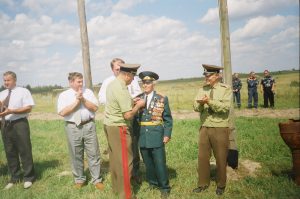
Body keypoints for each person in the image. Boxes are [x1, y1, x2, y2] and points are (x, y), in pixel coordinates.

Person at [103, 63, 145, 199]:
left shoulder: (113, 84)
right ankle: (127, 195)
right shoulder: (121, 88)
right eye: (133, 76)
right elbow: (127, 115)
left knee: (115, 161)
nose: (133, 79)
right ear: (127, 74)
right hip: (119, 127)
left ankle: (117, 189)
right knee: (126, 163)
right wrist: (138, 106)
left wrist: (131, 102)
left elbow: (117, 104)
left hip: (110, 125)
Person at [57, 72, 104, 190]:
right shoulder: (64, 95)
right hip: (72, 127)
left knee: (93, 153)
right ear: (71, 82)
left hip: (88, 125)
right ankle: (79, 179)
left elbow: (95, 108)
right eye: (78, 81)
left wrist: (83, 99)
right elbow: (63, 112)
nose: (81, 83)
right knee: (75, 153)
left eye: (81, 81)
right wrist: (76, 102)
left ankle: (96, 179)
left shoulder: (87, 92)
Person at [193, 64, 232, 196]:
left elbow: (225, 108)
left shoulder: (226, 89)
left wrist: (209, 102)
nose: (206, 77)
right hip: (204, 126)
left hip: (220, 127)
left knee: (221, 157)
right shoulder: (202, 89)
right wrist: (200, 103)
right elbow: (195, 106)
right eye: (205, 75)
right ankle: (203, 184)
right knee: (202, 157)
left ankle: (221, 184)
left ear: (217, 76)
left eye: (208, 75)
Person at [134, 71, 173, 198]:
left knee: (159, 162)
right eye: (143, 82)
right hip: (142, 135)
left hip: (156, 134)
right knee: (147, 162)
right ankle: (153, 183)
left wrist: (167, 134)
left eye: (148, 82)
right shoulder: (137, 98)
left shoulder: (162, 98)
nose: (145, 85)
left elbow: (167, 119)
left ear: (153, 83)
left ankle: (164, 187)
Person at [0, 71, 35, 189]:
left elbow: (28, 108)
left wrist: (12, 111)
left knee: (24, 149)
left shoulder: (23, 91)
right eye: (4, 80)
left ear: (15, 80)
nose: (6, 82)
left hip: (19, 123)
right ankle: (15, 177)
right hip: (4, 124)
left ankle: (29, 177)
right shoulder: (2, 94)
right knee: (10, 151)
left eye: (8, 80)